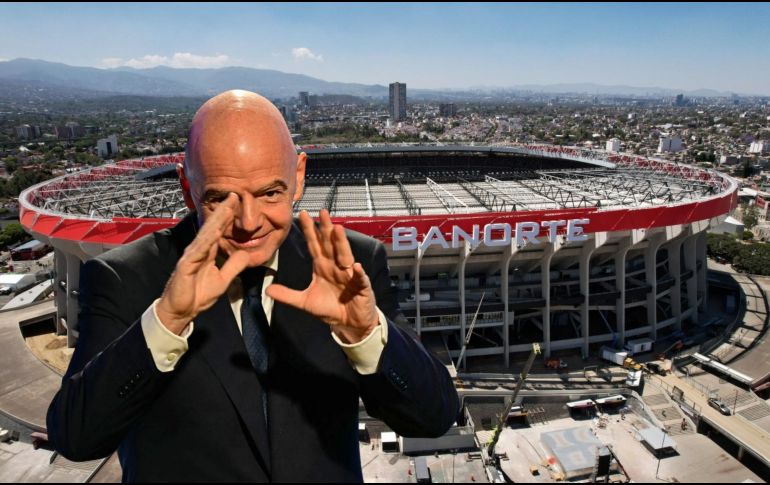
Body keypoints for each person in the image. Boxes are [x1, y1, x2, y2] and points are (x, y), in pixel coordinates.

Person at [46, 90, 460, 482]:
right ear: (186, 188)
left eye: (269, 193)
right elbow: (76, 438)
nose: (248, 222)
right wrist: (166, 322)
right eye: (221, 199)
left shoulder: (349, 262)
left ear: (298, 176)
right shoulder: (127, 276)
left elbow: (435, 416)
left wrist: (365, 334)